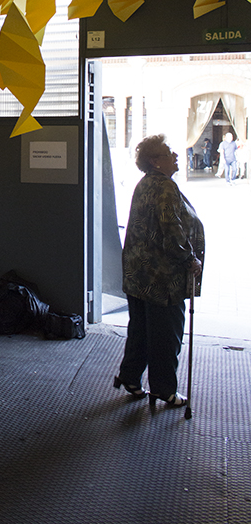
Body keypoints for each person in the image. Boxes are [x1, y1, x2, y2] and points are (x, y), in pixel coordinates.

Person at [113, 134, 204, 408]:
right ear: (155, 161)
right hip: (163, 279)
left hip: (138, 274)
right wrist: (190, 259)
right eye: (169, 153)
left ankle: (130, 378)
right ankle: (164, 390)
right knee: (166, 336)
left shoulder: (144, 184)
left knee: (140, 330)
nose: (175, 156)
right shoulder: (165, 187)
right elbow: (171, 231)